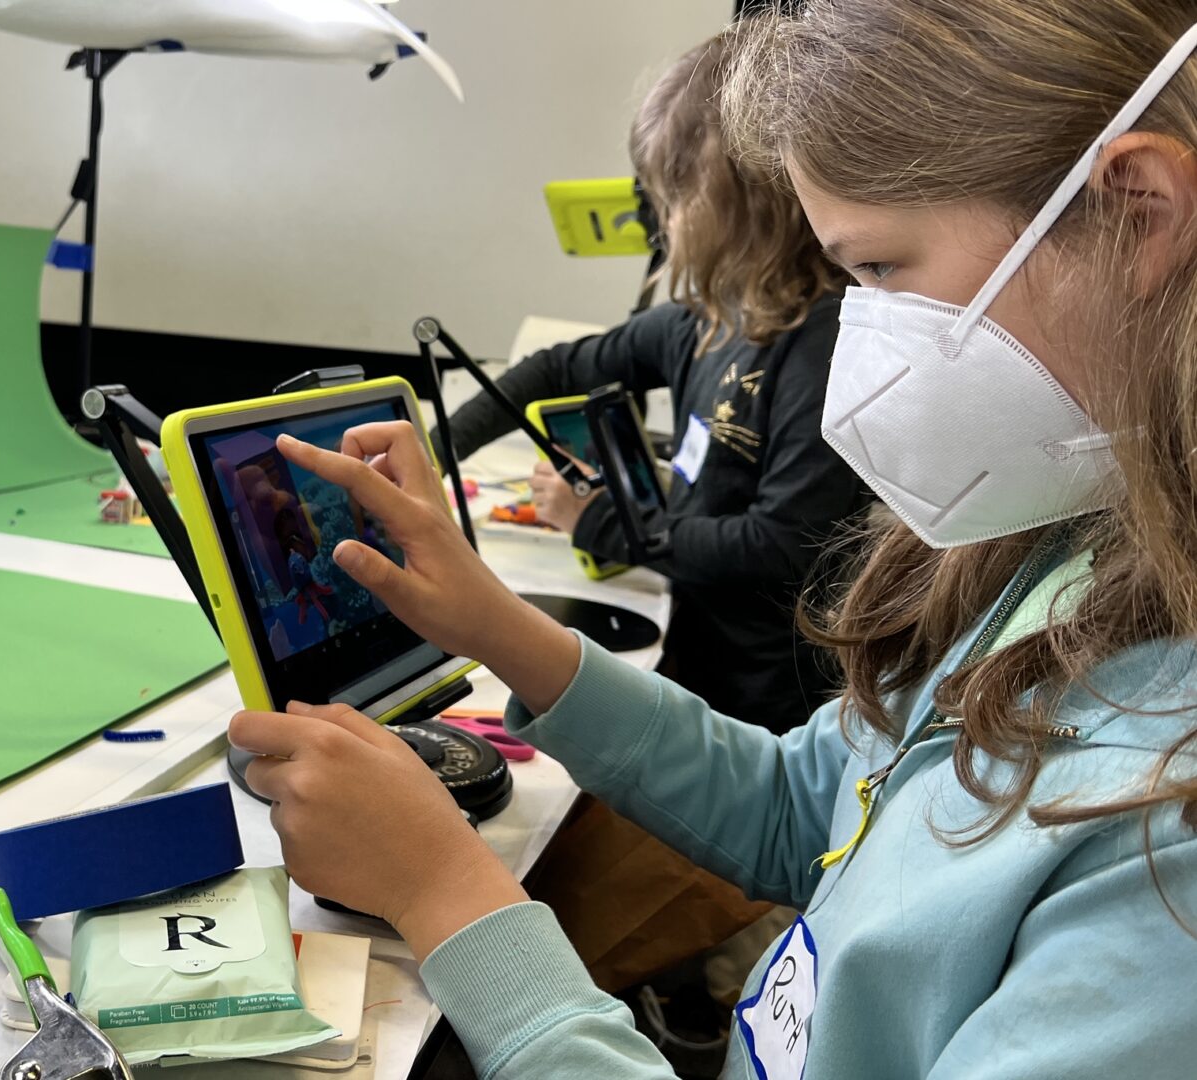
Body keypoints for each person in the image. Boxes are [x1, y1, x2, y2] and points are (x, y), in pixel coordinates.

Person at [231, 2, 1197, 1076]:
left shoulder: (1166, 860)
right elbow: (804, 804)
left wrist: (444, 894)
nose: (860, 328)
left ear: (1137, 214)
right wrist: (495, 626)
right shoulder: (1064, 554)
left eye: (878, 269)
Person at [447, 34, 867, 731]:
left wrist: (602, 524)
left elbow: (779, 546)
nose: (661, 219)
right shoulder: (701, 320)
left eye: (672, 193)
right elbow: (552, 369)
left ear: (742, 197)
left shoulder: (825, 340)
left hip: (772, 702)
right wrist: (436, 452)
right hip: (693, 651)